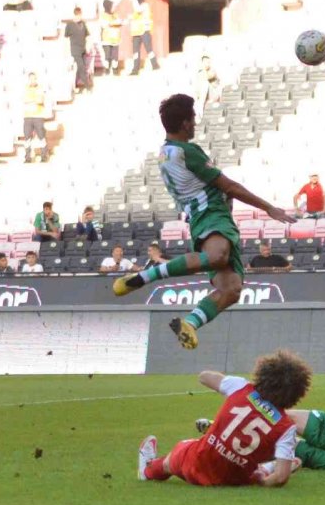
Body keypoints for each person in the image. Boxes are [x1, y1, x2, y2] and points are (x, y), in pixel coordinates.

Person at [113, 94, 295, 350]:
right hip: (211, 213)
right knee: (218, 256)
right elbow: (229, 186)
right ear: (186, 123)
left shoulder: (165, 153)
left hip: (204, 217)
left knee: (231, 290)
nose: (196, 123)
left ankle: (190, 323)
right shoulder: (188, 152)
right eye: (194, 118)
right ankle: (147, 275)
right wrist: (269, 208)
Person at [138, 350, 311, 487]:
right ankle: (269, 468)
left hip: (197, 464)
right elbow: (281, 478)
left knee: (178, 453)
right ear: (297, 393)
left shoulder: (241, 387)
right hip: (234, 480)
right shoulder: (286, 426)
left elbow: (204, 376)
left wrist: (234, 384)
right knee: (251, 466)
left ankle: (147, 470)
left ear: (264, 373)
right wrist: (264, 482)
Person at [128, 0, 159, 75]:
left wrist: (134, 0)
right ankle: (135, 69)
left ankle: (155, 65)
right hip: (136, 33)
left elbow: (138, 10)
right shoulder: (137, 7)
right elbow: (136, 16)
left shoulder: (145, 6)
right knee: (135, 52)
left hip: (144, 31)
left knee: (149, 50)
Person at [22, 72, 49, 163]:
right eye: (31, 79)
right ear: (28, 79)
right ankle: (27, 157)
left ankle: (44, 156)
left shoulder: (40, 88)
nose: (33, 80)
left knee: (41, 136)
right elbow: (24, 100)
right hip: (28, 116)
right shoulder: (25, 89)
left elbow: (40, 100)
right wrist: (34, 100)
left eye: (34, 78)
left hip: (38, 115)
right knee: (27, 137)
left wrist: (31, 100)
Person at [64, 7, 91, 93]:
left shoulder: (83, 24)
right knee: (82, 68)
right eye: (78, 15)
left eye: (80, 15)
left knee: (79, 70)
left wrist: (88, 47)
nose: (79, 17)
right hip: (75, 50)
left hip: (82, 49)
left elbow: (87, 35)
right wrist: (66, 51)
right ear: (75, 15)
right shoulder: (69, 25)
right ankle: (88, 87)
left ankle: (74, 86)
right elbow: (66, 37)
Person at [99, 0, 122, 75]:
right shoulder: (103, 15)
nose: (114, 8)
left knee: (115, 56)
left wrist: (112, 23)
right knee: (107, 56)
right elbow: (104, 24)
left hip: (116, 39)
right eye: (112, 6)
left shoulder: (115, 15)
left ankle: (115, 70)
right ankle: (107, 70)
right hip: (106, 39)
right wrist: (113, 23)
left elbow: (119, 22)